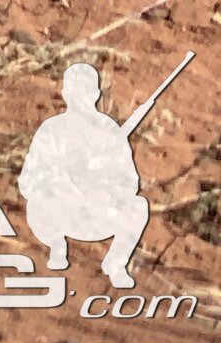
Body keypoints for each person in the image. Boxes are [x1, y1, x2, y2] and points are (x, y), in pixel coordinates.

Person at [20, 64, 153, 288]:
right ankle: (56, 246)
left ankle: (116, 264)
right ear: (65, 95)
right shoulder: (51, 130)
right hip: (58, 212)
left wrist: (103, 182)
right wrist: (59, 180)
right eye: (75, 93)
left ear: (96, 95)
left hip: (94, 214)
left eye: (85, 92)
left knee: (138, 206)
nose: (80, 99)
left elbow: (129, 182)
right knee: (41, 202)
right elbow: (27, 182)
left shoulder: (109, 131)